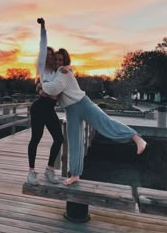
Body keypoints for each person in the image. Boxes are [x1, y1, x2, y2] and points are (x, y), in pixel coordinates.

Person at [38, 48, 147, 186]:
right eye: (57, 59)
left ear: (65, 61)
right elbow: (53, 93)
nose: (58, 62)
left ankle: (136, 138)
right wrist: (41, 87)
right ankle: (75, 174)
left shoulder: (63, 72)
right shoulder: (56, 74)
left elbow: (54, 89)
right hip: (71, 110)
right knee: (74, 142)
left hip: (83, 104)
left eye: (61, 59)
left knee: (105, 123)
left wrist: (41, 85)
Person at [27, 18, 64, 185]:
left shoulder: (57, 73)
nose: (49, 58)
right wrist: (43, 27)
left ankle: (49, 170)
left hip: (49, 109)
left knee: (59, 138)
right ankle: (31, 172)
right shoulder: (42, 69)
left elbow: (59, 91)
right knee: (36, 138)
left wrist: (46, 91)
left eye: (51, 56)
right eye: (47, 55)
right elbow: (43, 45)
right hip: (39, 108)